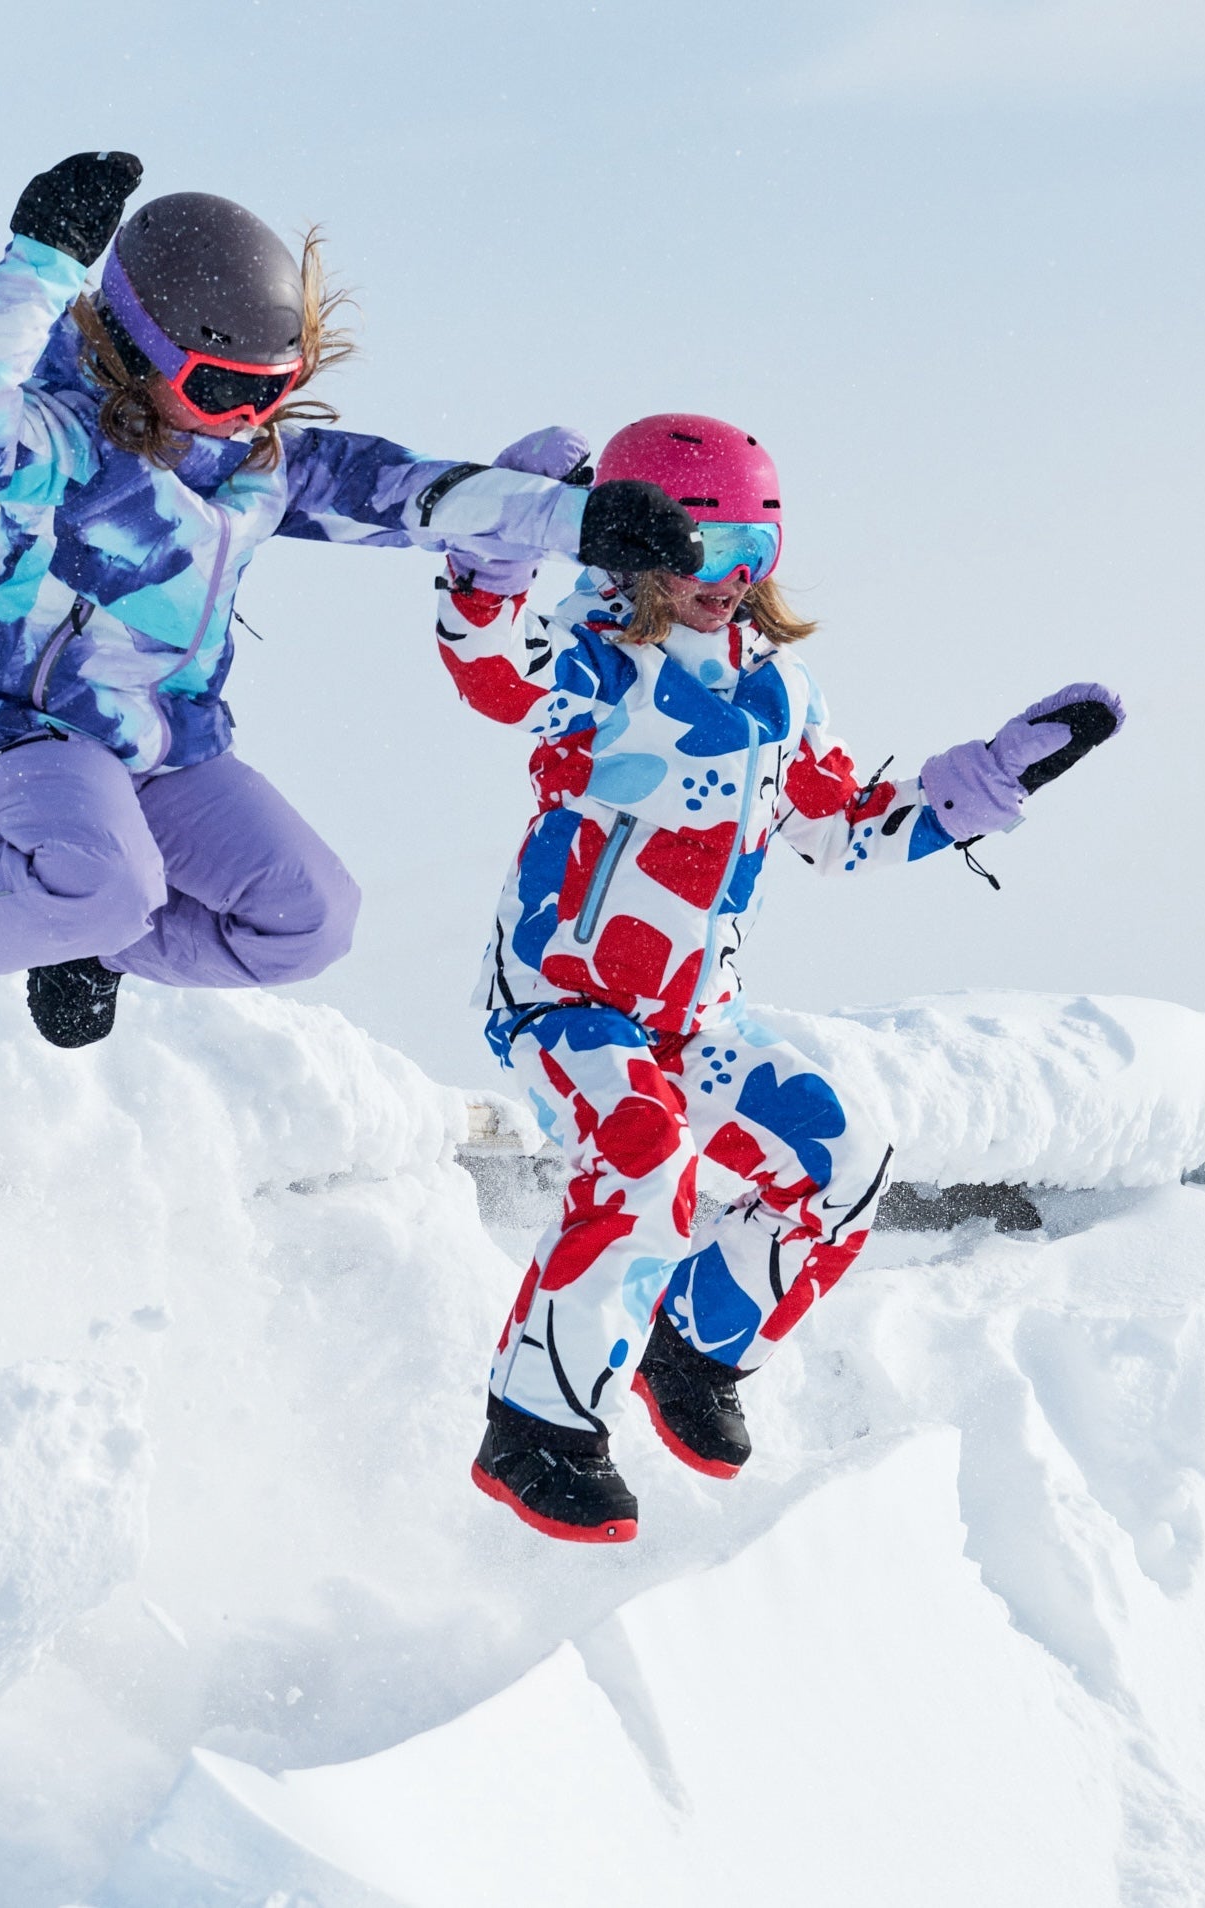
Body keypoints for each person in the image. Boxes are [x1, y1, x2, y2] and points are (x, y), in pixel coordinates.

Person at [436, 414, 1124, 1542]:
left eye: (753, 554)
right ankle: (537, 1428)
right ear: (628, 547)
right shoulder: (593, 662)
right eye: (700, 552)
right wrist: (504, 538)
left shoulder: (778, 694)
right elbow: (494, 673)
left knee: (841, 1153)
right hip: (568, 997)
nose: (728, 581)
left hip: (694, 1013)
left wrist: (991, 780)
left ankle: (691, 1350)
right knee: (644, 1161)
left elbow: (842, 828)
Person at [0, 152, 697, 1047]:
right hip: (33, 729)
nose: (249, 414)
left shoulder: (263, 468)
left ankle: (91, 941)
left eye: (273, 389)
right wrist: (42, 260)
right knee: (108, 885)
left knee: (310, 919)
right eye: (221, 387)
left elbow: (411, 495)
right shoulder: (71, 444)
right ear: (135, 353)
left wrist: (579, 522)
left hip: (170, 745)